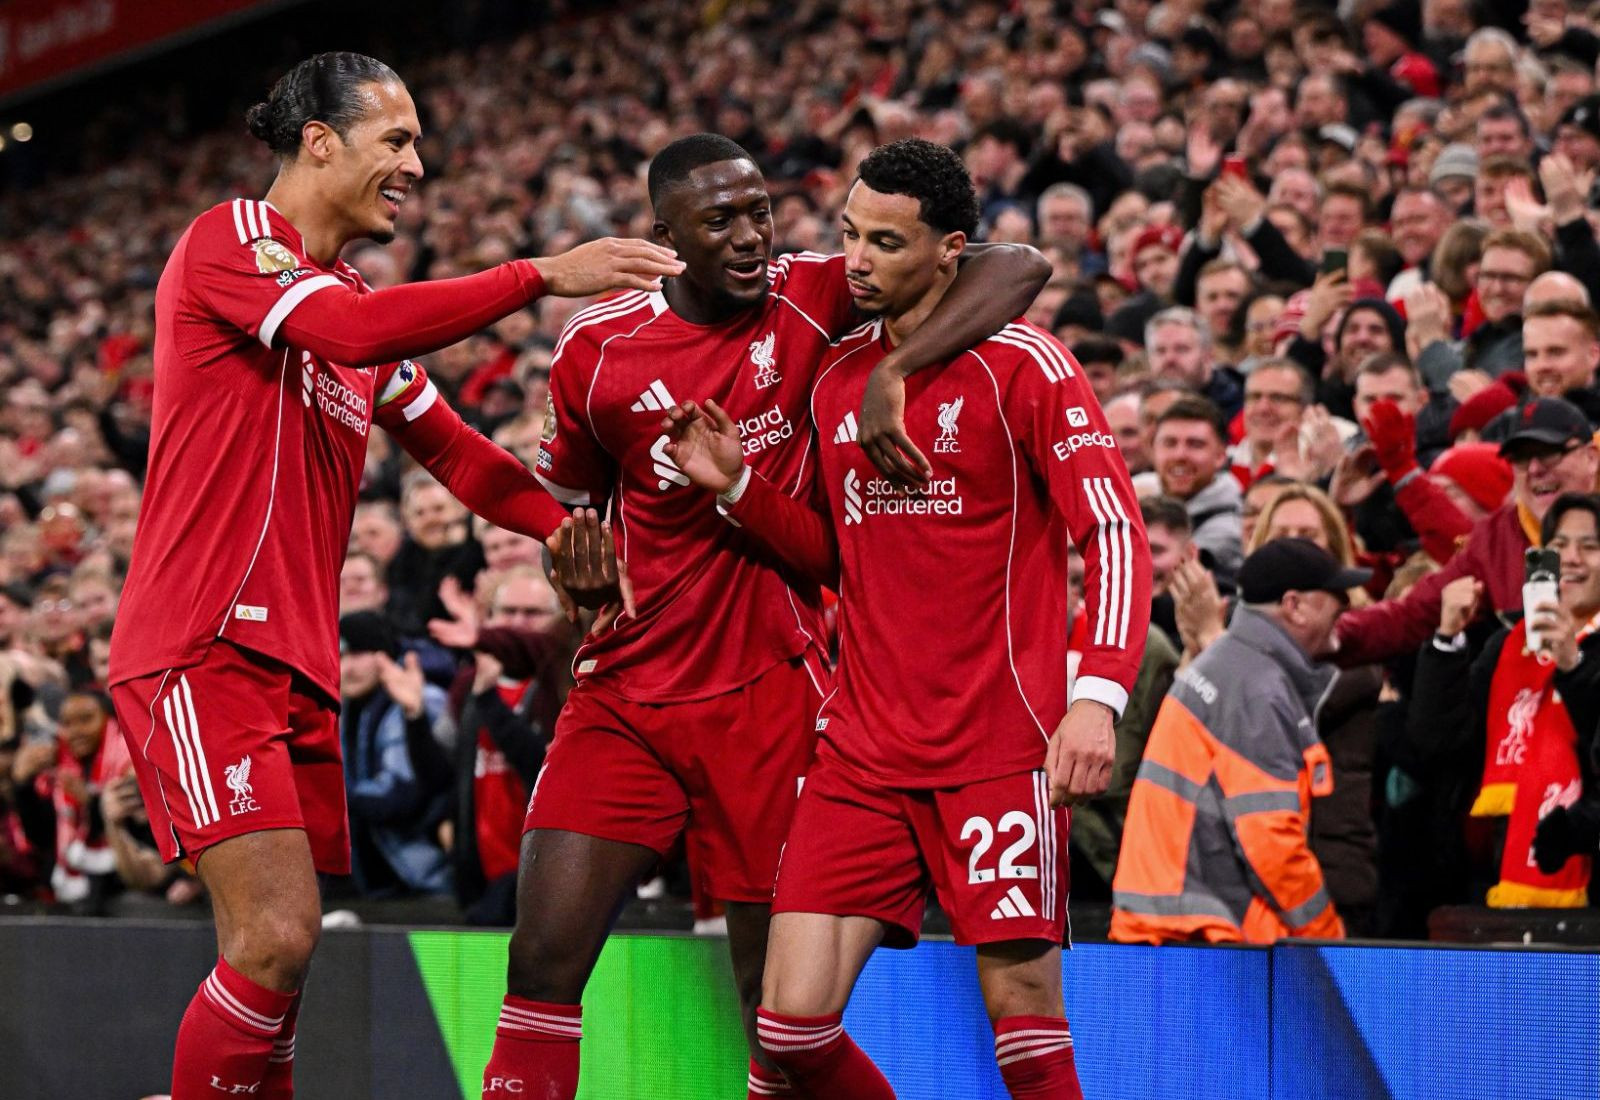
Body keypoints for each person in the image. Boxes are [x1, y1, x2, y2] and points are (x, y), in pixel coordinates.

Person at [104, 53, 670, 1100]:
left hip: (296, 661)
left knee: (278, 965)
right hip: (203, 642)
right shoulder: (234, 238)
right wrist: (538, 275)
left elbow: (458, 453)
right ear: (319, 141)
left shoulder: (352, 307)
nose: (416, 164)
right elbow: (350, 331)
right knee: (276, 935)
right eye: (396, 140)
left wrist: (566, 530)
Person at [483, 134, 1049, 1100]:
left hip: (773, 695)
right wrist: (568, 549)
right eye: (720, 221)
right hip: (626, 693)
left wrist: (897, 370)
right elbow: (570, 506)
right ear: (666, 236)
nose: (751, 238)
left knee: (777, 1013)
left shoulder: (815, 294)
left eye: (761, 213)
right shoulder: (595, 348)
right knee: (540, 962)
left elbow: (1018, 264)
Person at [658, 138, 1148, 1100]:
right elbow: (834, 556)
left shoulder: (1027, 366)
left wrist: (1096, 698)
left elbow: (1116, 533)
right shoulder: (837, 375)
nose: (856, 260)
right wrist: (740, 489)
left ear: (950, 250)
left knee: (1025, 1021)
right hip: (863, 752)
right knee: (789, 1027)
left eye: (885, 242)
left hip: (1000, 746)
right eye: (849, 234)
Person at [1112, 538, 1360, 944]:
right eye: (1336, 596)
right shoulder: (1254, 689)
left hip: (1172, 926)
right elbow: (1271, 843)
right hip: (1199, 936)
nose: (1346, 606)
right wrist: (1327, 938)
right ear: (1295, 605)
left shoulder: (1234, 666)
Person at [1408, 493, 1600, 907]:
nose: (1571, 559)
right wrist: (1446, 641)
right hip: (1494, 875)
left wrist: (1574, 666)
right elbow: (1439, 741)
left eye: (1589, 546)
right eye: (1559, 545)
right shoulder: (1510, 646)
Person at [1334, 397, 1600, 665]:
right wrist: (1328, 636)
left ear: (1591, 457)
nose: (1534, 469)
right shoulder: (1496, 539)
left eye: (1549, 453)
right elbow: (1412, 614)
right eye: (1521, 458)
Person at [337, 611, 452, 897]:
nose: (348, 667)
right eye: (341, 655)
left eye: (359, 653)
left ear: (385, 654)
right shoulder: (347, 707)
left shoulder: (424, 699)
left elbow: (399, 796)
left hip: (433, 877)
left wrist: (324, 796)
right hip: (381, 879)